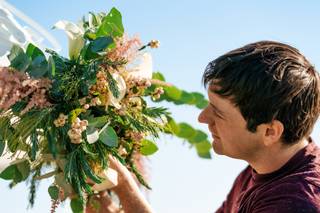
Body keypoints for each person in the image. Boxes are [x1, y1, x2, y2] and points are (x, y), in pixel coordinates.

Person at [87, 41, 320, 213]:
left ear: (269, 132)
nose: (202, 118)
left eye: (218, 112)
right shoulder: (263, 168)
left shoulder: (295, 203)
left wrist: (127, 191)